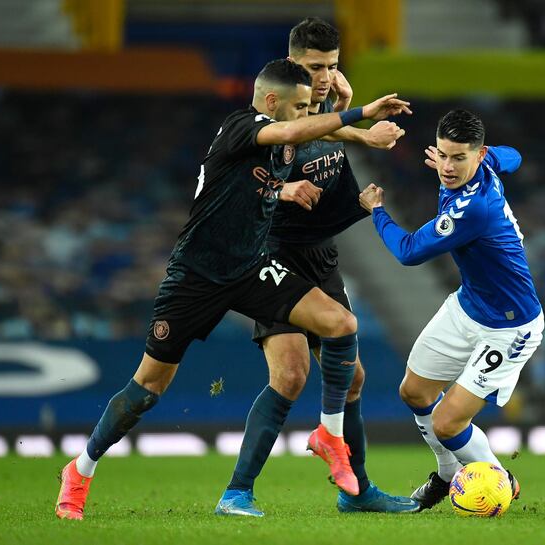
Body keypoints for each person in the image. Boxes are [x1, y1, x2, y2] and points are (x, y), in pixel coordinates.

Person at [54, 58, 410, 520]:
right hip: (196, 276)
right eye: (299, 106)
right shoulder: (242, 127)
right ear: (269, 102)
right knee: (147, 388)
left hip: (250, 268)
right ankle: (79, 471)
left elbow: (311, 135)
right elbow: (289, 134)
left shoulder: (286, 138)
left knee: (341, 322)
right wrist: (359, 113)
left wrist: (358, 131)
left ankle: (328, 435)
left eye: (310, 107)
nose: (305, 114)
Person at [217, 18, 419, 517]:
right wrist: (280, 188)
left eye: (331, 65)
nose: (325, 76)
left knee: (352, 378)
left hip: (321, 255)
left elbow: (321, 137)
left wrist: (361, 134)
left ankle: (358, 491)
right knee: (290, 375)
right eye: (314, 67)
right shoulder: (267, 119)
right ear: (292, 65)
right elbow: (232, 179)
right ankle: (237, 492)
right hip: (273, 255)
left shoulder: (325, 105)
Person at [358, 109, 544, 511]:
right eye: (442, 155)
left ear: (476, 156)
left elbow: (408, 252)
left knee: (447, 422)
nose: (446, 166)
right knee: (414, 391)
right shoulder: (484, 162)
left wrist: (377, 210)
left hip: (510, 327)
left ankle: (499, 481)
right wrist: (491, 155)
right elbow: (514, 157)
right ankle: (446, 475)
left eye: (458, 158)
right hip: (467, 306)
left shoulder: (472, 210)